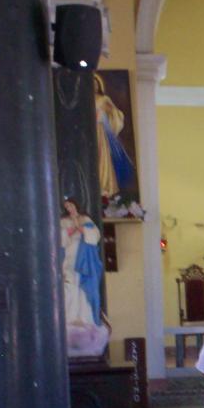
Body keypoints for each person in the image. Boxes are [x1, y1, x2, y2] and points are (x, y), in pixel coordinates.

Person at [60, 198, 108, 357]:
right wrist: (69, 230)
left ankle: (84, 318)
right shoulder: (63, 221)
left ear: (76, 205)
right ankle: (69, 318)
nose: (69, 208)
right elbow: (59, 239)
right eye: (66, 206)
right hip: (68, 260)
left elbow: (94, 235)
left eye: (71, 205)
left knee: (82, 290)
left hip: (83, 261)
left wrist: (79, 227)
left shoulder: (85, 219)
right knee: (68, 288)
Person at [94, 74, 135, 200]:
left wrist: (103, 116)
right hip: (87, 133)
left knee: (102, 159)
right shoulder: (83, 99)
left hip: (100, 132)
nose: (93, 86)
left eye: (95, 83)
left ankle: (105, 188)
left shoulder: (104, 99)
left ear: (99, 85)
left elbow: (116, 115)